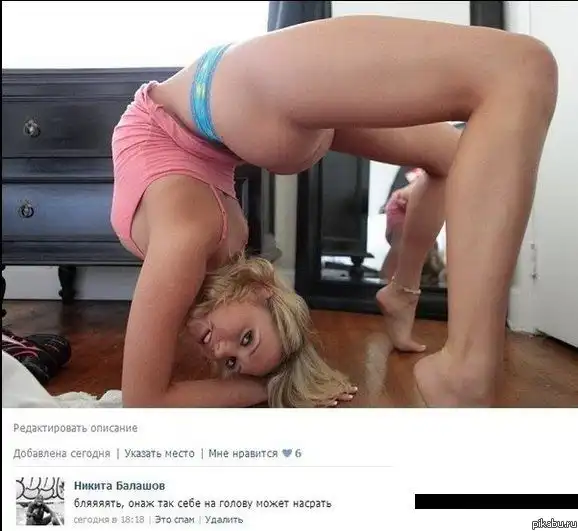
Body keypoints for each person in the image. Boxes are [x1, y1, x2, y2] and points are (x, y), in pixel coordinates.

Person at [111, 15, 558, 408]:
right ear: (264, 290)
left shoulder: (190, 242)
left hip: (229, 108)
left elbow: (144, 400)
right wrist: (273, 387)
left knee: (474, 131)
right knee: (516, 71)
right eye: (242, 346)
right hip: (230, 100)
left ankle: (417, 311)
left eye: (235, 355)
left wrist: (271, 387)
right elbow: (148, 399)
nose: (220, 350)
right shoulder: (198, 241)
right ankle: (461, 362)